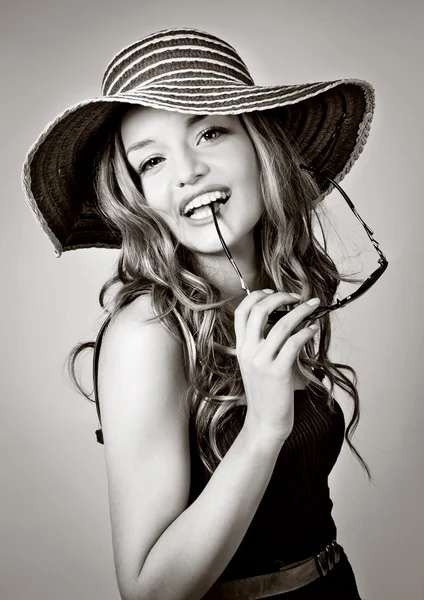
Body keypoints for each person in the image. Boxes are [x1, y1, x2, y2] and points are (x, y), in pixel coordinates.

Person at [21, 27, 381, 600]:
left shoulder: (268, 295)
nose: (187, 171)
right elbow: (151, 592)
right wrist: (263, 427)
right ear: (136, 195)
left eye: (210, 131)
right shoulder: (149, 333)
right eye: (152, 161)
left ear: (258, 146)